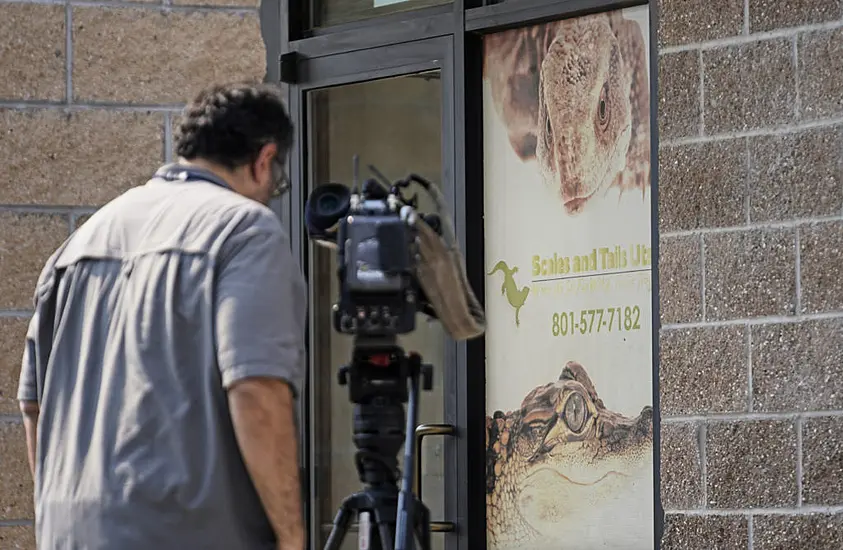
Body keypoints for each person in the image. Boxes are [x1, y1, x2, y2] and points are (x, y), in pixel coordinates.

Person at [16, 82, 307, 550]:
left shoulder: (84, 239)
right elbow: (255, 390)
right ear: (263, 160)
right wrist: (293, 537)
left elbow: (34, 405)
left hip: (71, 534)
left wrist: (55, 513)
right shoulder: (244, 230)